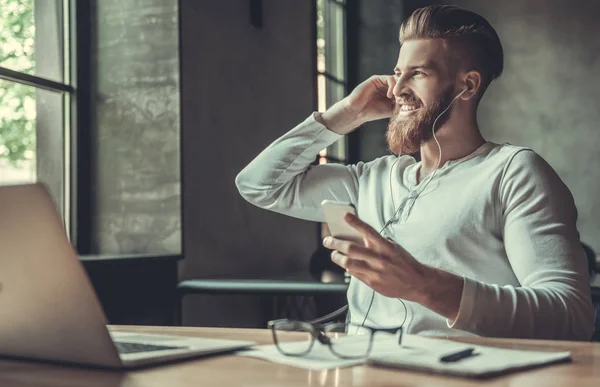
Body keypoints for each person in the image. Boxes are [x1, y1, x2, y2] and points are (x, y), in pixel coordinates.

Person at [235, 5, 594, 340]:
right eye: (396, 73)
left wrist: (425, 286)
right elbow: (259, 185)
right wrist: (346, 113)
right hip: (359, 371)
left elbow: (570, 316)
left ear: (467, 85)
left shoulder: (513, 173)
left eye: (418, 73)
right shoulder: (369, 179)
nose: (398, 89)